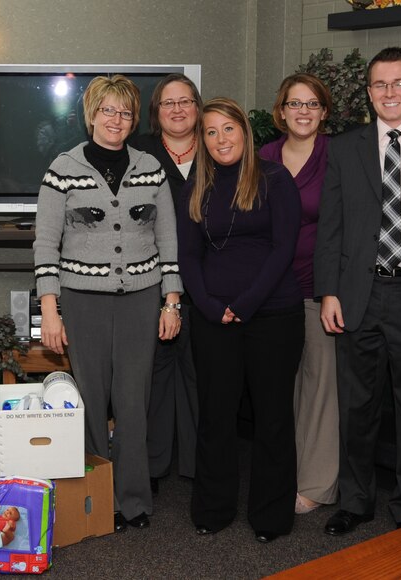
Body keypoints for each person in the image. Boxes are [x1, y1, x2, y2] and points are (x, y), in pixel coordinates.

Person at [314, 47, 401, 536]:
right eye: (379, 84)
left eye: (399, 83)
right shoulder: (345, 147)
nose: (389, 92)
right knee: (357, 409)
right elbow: (329, 227)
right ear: (369, 92)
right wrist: (328, 291)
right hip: (359, 295)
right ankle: (356, 501)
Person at [33, 75, 183, 533]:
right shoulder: (63, 168)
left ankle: (133, 501)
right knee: (93, 401)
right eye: (107, 111)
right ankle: (97, 498)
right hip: (83, 302)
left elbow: (167, 238)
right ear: (92, 114)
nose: (116, 120)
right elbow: (45, 244)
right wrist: (50, 312)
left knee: (133, 402)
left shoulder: (149, 166)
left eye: (125, 112)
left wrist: (171, 300)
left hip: (141, 301)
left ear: (133, 119)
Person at [177, 97, 302, 543]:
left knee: (272, 418)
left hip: (272, 315)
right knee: (215, 415)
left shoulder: (274, 178)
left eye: (228, 129)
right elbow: (188, 255)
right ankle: (213, 508)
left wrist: (245, 303)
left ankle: (271, 516)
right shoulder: (197, 184)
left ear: (245, 134)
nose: (220, 139)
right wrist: (209, 305)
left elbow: (283, 249)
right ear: (202, 140)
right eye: (210, 132)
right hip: (213, 317)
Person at [259, 72, 338, 516]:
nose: (303, 111)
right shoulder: (265, 155)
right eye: (295, 103)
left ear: (323, 112)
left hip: (316, 290)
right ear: (282, 110)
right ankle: (282, 475)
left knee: (319, 389)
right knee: (278, 391)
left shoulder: (337, 156)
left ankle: (317, 484)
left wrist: (333, 290)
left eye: (312, 104)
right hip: (270, 294)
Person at [134, 74, 202, 494]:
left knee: (200, 376)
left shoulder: (216, 147)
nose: (177, 110)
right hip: (151, 280)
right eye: (167, 103)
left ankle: (198, 466)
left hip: (206, 280)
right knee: (153, 377)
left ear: (197, 106)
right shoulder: (139, 151)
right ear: (156, 113)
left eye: (185, 101)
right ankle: (154, 466)